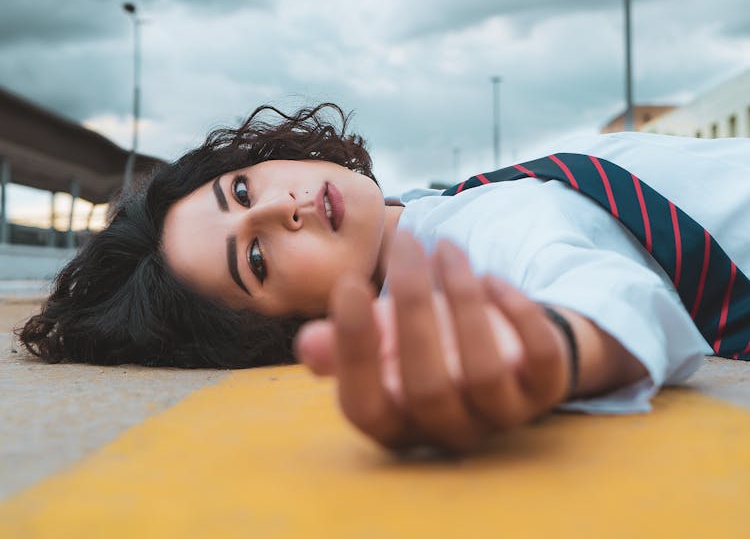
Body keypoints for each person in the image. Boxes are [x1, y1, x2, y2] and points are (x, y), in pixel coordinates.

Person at [18, 103, 750, 453]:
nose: (284, 207)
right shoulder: (459, 248)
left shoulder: (433, 208)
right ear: (287, 330)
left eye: (241, 191)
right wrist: (546, 353)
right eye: (258, 260)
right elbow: (605, 296)